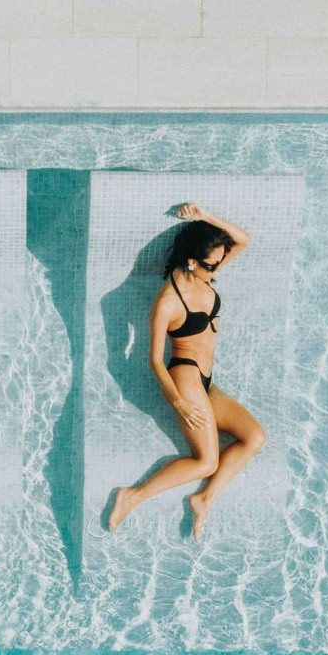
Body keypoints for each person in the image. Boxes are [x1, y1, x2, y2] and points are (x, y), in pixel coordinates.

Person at [106, 203, 266, 542]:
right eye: (211, 264)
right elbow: (153, 361)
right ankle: (130, 496)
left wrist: (204, 217)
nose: (217, 269)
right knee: (206, 462)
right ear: (192, 261)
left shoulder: (203, 270)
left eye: (219, 261)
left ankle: (203, 498)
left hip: (208, 381)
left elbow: (244, 239)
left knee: (255, 438)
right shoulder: (168, 301)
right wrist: (178, 402)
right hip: (186, 378)